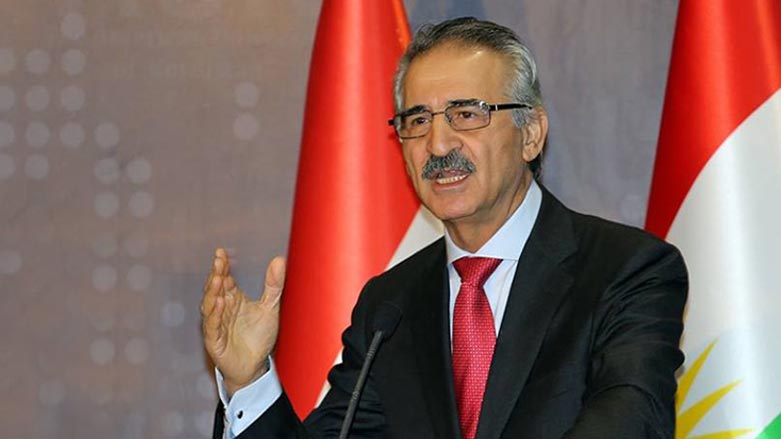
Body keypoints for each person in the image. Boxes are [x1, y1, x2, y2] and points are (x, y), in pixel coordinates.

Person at [200, 17, 687, 439]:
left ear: (531, 134)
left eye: (466, 114)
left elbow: (629, 422)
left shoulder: (626, 270)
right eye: (417, 120)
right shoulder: (391, 306)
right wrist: (249, 380)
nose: (437, 145)